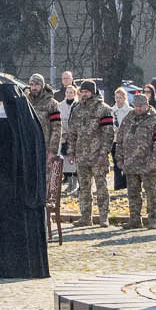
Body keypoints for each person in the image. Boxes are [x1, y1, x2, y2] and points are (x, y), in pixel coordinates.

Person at [0, 76, 50, 278]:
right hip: (29, 191)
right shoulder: (32, 124)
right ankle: (32, 266)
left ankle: (3, 267)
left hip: (1, 192)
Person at [115, 89, 156, 229]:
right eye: (136, 106)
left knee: (151, 193)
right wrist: (119, 159)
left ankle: (153, 219)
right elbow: (119, 140)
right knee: (133, 194)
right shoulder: (128, 118)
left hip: (147, 164)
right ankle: (134, 219)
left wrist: (155, 161)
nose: (138, 109)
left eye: (141, 106)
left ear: (147, 105)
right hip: (130, 163)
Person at [65, 80, 114, 226]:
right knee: (84, 188)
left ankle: (104, 217)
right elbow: (72, 132)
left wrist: (104, 153)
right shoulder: (77, 109)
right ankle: (86, 217)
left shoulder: (104, 109)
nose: (84, 94)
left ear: (92, 92)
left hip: (98, 155)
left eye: (86, 92)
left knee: (101, 187)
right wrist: (71, 151)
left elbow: (108, 134)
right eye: (82, 92)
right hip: (81, 155)